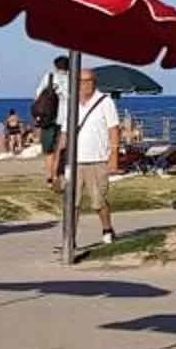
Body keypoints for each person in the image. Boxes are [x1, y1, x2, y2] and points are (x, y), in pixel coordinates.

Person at [72, 71, 121, 244]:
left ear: (94, 82)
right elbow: (64, 131)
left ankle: (107, 229)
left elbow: (114, 129)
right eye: (80, 81)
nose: (84, 84)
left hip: (97, 159)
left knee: (98, 201)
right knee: (72, 202)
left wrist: (114, 155)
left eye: (88, 81)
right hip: (74, 160)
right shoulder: (71, 103)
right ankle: (71, 238)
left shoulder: (105, 102)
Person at [33, 57, 68, 184]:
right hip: (66, 118)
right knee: (61, 148)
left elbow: (38, 95)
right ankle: (57, 172)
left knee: (49, 149)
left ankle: (49, 175)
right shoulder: (73, 79)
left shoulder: (49, 77)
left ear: (55, 66)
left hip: (49, 118)